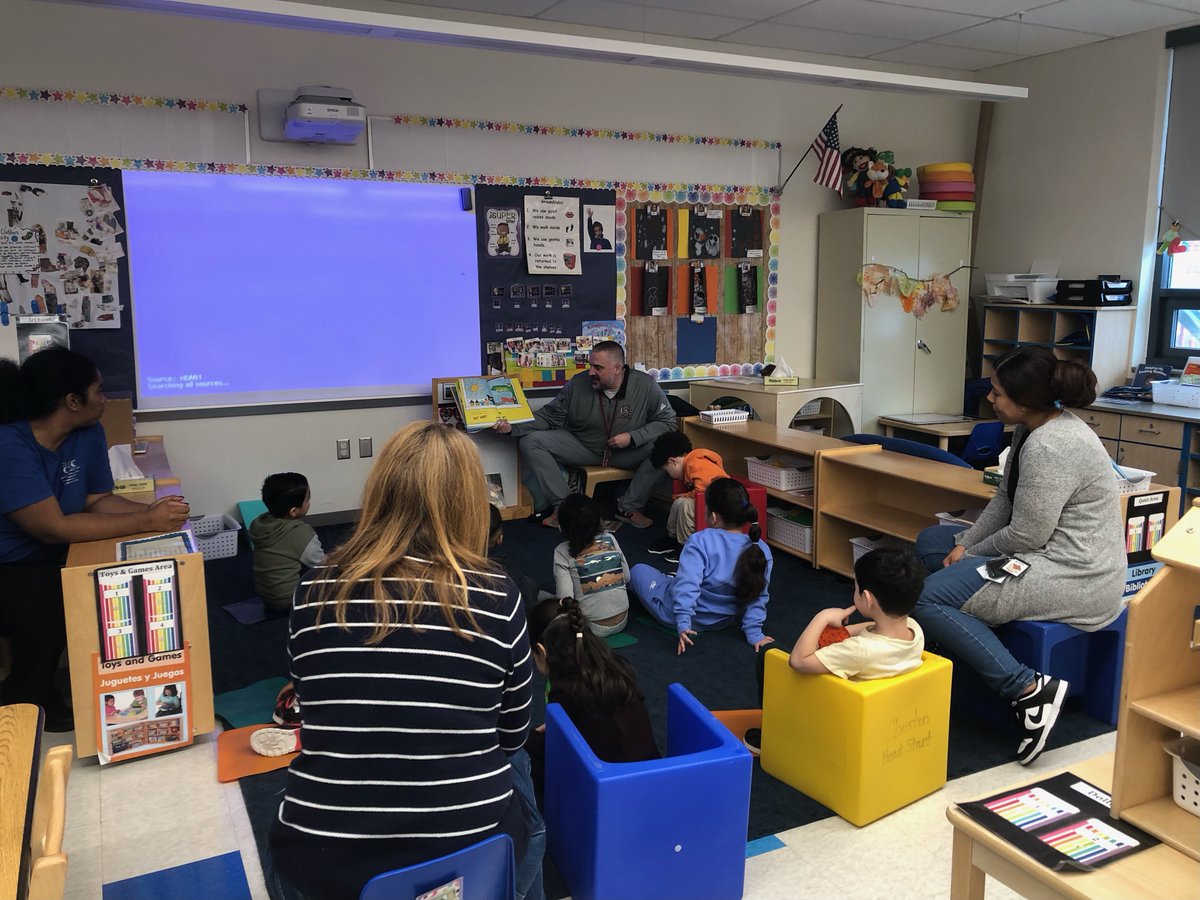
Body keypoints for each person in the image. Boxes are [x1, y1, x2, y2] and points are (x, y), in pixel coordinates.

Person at [269, 421, 543, 900]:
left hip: (320, 861)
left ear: (380, 490)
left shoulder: (313, 588)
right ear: (470, 502)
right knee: (525, 797)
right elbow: (513, 733)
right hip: (471, 855)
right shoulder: (496, 594)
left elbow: (308, 704)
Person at [912, 346, 1124, 766]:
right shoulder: (1032, 427)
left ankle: (1027, 689)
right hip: (1046, 554)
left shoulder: (1053, 444)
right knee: (933, 542)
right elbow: (1005, 501)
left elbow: (1028, 534)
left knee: (926, 598)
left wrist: (969, 551)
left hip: (1074, 573)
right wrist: (966, 545)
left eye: (997, 393)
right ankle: (961, 634)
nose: (989, 399)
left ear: (1024, 400)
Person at [0, 347, 189, 731]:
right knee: (47, 600)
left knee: (120, 583)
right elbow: (51, 527)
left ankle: (125, 688)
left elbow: (97, 501)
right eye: (98, 391)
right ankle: (27, 698)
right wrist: (145, 519)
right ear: (72, 401)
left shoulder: (87, 432)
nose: (106, 400)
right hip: (12, 563)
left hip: (58, 551)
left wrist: (157, 518)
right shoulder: (8, 445)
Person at [742, 547, 926, 755]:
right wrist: (843, 632)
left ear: (867, 598)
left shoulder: (860, 651)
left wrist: (823, 617)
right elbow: (868, 629)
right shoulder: (913, 629)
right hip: (883, 717)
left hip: (837, 717)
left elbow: (799, 661)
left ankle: (776, 735)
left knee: (770, 654)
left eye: (855, 588)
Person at [492, 340, 676, 529]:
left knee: (668, 446)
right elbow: (549, 416)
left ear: (618, 368)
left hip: (627, 451)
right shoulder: (578, 383)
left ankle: (629, 507)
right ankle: (566, 508)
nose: (591, 372)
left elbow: (668, 422)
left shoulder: (646, 385)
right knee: (531, 442)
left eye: (598, 367)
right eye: (590, 366)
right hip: (584, 447)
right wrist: (512, 427)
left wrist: (633, 437)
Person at [523, 596, 658, 786]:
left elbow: (554, 749)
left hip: (611, 784)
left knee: (518, 756)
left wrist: (525, 738)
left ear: (541, 651)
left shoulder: (564, 690)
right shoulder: (613, 665)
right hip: (651, 771)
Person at [631, 478, 774, 655]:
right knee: (677, 578)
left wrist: (683, 623)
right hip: (723, 620)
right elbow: (758, 594)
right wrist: (754, 633)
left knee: (638, 570)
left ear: (713, 516)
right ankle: (670, 580)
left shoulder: (700, 541)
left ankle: (668, 581)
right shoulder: (761, 548)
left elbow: (687, 586)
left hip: (680, 617)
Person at [551, 493, 630, 637]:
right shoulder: (610, 539)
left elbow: (565, 598)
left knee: (542, 598)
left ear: (561, 527)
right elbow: (627, 576)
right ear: (600, 521)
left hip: (590, 626)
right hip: (622, 620)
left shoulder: (562, 552)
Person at [250, 472, 326, 613]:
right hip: (288, 601)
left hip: (265, 596)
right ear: (293, 511)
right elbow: (322, 564)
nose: (309, 502)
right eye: (307, 499)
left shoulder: (259, 524)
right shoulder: (300, 533)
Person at [648, 430, 730, 560]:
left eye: (667, 471)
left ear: (672, 461)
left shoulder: (695, 463)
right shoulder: (690, 465)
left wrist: (686, 496)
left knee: (685, 504)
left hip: (719, 504)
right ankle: (673, 538)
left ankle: (688, 546)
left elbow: (703, 488)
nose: (669, 475)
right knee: (679, 502)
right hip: (709, 500)